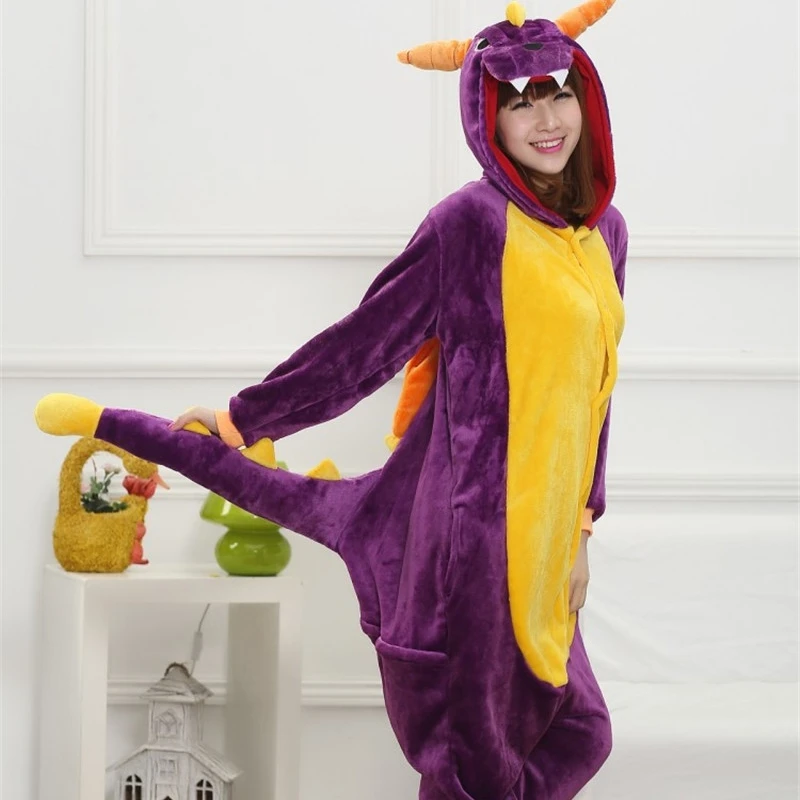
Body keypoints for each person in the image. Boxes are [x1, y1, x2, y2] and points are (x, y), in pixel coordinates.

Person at [35, 2, 627, 798]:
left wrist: (582, 526)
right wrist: (245, 419)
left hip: (550, 546)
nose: (546, 120)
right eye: (520, 103)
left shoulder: (605, 234)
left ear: (585, 99)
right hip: (467, 541)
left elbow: (597, 396)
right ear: (488, 118)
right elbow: (363, 345)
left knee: (579, 731)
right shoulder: (469, 224)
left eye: (558, 95)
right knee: (474, 762)